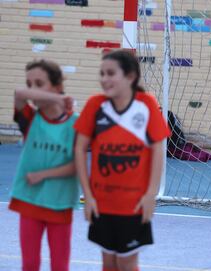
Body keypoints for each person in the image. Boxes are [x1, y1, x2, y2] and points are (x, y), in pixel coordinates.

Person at [74, 50, 171, 271]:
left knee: (127, 262)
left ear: (130, 76)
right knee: (108, 262)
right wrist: (87, 195)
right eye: (102, 73)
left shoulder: (145, 105)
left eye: (110, 73)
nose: (104, 79)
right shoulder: (95, 105)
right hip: (102, 201)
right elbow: (79, 149)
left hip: (133, 203)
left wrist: (150, 194)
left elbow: (158, 151)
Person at [9, 59, 79, 271]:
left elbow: (75, 167)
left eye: (39, 83)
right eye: (30, 84)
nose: (32, 90)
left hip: (59, 203)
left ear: (57, 85)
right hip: (29, 201)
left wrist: (43, 174)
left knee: (60, 265)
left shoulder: (74, 123)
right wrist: (57, 97)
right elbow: (19, 94)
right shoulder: (29, 118)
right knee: (29, 264)